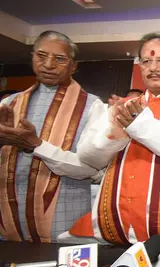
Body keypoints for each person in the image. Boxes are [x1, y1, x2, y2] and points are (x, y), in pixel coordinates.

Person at [64, 32, 160, 244]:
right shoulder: (119, 108)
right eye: (146, 61)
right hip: (114, 225)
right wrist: (114, 135)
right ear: (140, 68)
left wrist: (138, 125)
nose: (153, 67)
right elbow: (88, 157)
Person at [0, 31, 104, 242]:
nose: (48, 65)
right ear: (32, 58)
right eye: (41, 55)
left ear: (73, 66)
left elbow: (89, 169)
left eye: (59, 59)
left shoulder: (93, 107)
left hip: (64, 222)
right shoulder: (9, 103)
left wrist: (36, 145)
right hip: (8, 221)